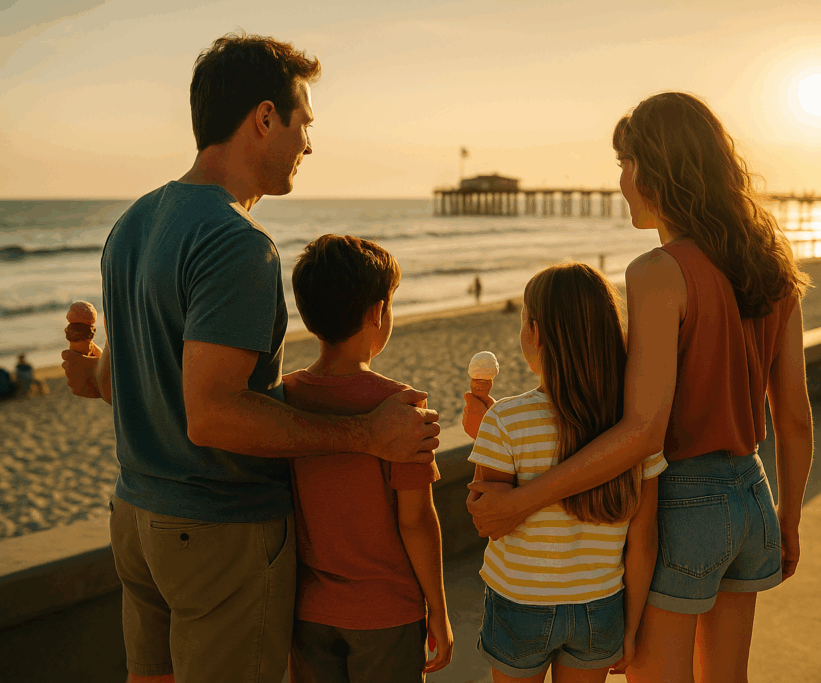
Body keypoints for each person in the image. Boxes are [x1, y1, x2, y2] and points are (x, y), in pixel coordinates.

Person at [60, 34, 439, 683]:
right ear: (265, 118)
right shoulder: (238, 244)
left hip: (137, 520)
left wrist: (89, 371)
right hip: (218, 533)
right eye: (305, 123)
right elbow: (212, 415)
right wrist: (364, 434)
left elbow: (119, 382)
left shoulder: (134, 224)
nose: (309, 145)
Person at [466, 92, 814, 682]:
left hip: (683, 504)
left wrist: (521, 500)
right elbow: (795, 415)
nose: (621, 181)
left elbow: (642, 430)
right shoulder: (770, 262)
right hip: (752, 493)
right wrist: (787, 518)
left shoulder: (658, 273)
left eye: (624, 164)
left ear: (657, 168)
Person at [467, 263, 667, 682]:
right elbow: (643, 540)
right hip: (600, 607)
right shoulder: (632, 427)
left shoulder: (506, 420)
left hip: (520, 601)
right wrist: (630, 629)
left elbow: (490, 521)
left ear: (535, 334)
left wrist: (484, 435)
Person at [283, 234, 453, 682]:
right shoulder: (400, 407)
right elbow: (416, 521)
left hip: (309, 609)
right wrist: (437, 609)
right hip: (387, 613)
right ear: (378, 313)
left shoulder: (285, 398)